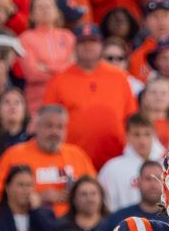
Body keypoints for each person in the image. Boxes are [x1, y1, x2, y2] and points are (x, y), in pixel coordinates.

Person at [44, 23, 138, 169]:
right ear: (74, 47)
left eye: (93, 42)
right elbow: (48, 122)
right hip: (73, 161)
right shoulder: (58, 81)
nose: (88, 46)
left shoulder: (119, 77)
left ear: (101, 45)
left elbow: (131, 118)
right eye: (83, 42)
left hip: (115, 160)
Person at [0, 105, 96, 216]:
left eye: (60, 127)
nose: (54, 132)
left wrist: (75, 196)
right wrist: (39, 197)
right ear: (37, 127)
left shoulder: (78, 156)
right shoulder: (14, 155)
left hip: (71, 225)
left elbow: (95, 192)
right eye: (49, 126)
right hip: (28, 223)